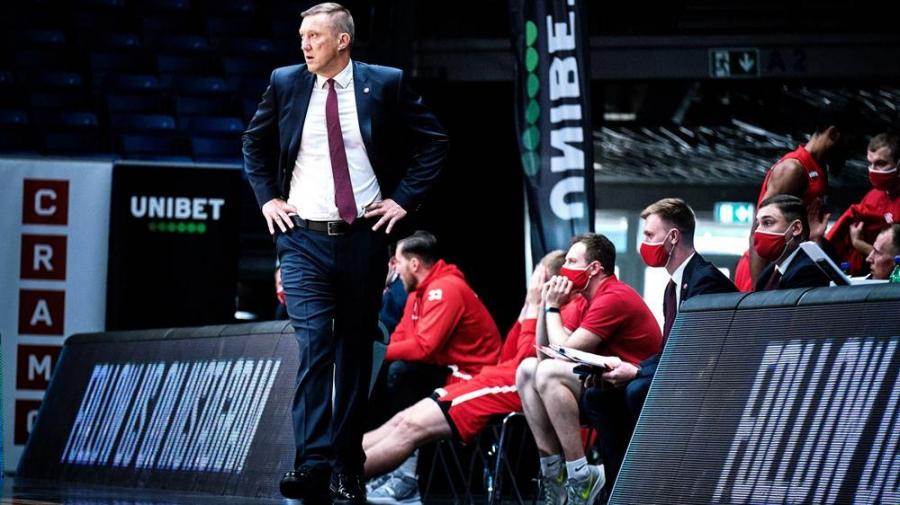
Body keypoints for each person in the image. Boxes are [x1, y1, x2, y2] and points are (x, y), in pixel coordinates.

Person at [241, 2, 449, 502]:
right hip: (301, 237)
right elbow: (254, 142)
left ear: (342, 40)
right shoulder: (286, 82)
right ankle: (312, 463)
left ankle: (346, 466)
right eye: (301, 36)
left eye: (314, 36)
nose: (304, 44)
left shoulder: (386, 83)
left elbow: (434, 142)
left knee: (353, 351)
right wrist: (267, 198)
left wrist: (403, 199)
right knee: (315, 342)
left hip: (363, 237)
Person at [362, 251, 568, 504]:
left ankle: (346, 480)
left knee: (409, 421)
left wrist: (535, 308)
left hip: (502, 384)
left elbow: (528, 363)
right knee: (401, 420)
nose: (532, 283)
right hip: (491, 379)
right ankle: (332, 468)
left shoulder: (560, 309)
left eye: (537, 275)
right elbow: (508, 356)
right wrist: (528, 310)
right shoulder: (419, 293)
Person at [580, 198, 736, 492]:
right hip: (682, 373)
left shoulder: (705, 281)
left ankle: (650, 483)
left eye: (650, 235)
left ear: (673, 237)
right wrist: (629, 368)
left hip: (707, 383)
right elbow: (670, 350)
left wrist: (637, 372)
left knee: (637, 389)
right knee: (597, 396)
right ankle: (618, 487)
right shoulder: (673, 286)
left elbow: (693, 354)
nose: (645, 244)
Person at [516, 233, 662, 505]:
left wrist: (552, 307)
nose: (564, 269)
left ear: (594, 268)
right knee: (526, 370)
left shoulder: (613, 296)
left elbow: (563, 354)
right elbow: (543, 354)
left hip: (635, 387)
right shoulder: (585, 298)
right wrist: (545, 303)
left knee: (548, 373)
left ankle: (580, 476)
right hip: (602, 384)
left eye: (572, 261)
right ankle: (553, 475)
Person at [367, 231, 502, 433]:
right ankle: (365, 438)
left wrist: (376, 352)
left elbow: (424, 347)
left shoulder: (445, 288)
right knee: (377, 366)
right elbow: (401, 335)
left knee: (400, 371)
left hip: (472, 375)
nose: (396, 269)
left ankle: (409, 444)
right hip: (448, 369)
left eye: (399, 262)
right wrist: (375, 354)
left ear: (414, 264)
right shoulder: (418, 292)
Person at [734, 103, 857, 291]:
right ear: (833, 134)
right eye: (849, 143)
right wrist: (758, 293)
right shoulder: (793, 169)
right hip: (762, 273)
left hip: (789, 271)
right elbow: (758, 231)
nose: (850, 152)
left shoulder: (819, 169)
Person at [826, 132, 900, 275]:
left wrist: (859, 244)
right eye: (870, 163)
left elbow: (895, 259)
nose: (873, 170)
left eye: (881, 163)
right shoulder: (873, 195)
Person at [754, 194, 831, 291]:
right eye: (757, 224)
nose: (758, 230)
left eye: (767, 222)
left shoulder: (808, 271)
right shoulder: (766, 274)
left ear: (796, 228)